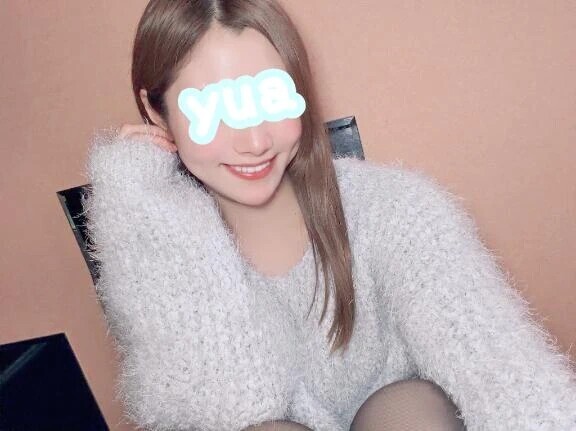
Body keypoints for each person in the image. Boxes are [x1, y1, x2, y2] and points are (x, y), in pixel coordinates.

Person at [83, 1, 576, 430]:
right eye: (213, 109)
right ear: (155, 110)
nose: (254, 140)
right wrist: (142, 202)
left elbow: (505, 374)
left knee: (411, 404)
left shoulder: (397, 210)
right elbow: (230, 406)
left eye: (269, 98)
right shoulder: (163, 252)